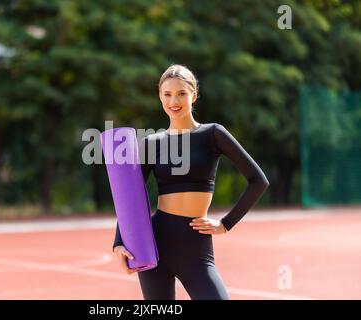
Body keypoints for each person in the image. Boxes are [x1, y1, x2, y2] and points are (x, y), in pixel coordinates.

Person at [112, 64, 269, 300]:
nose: (174, 100)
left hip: (195, 246)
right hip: (154, 242)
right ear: (160, 97)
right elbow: (130, 196)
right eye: (167, 94)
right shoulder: (151, 143)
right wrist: (119, 243)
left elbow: (258, 181)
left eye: (181, 93)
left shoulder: (213, 134)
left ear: (194, 95)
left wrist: (226, 224)